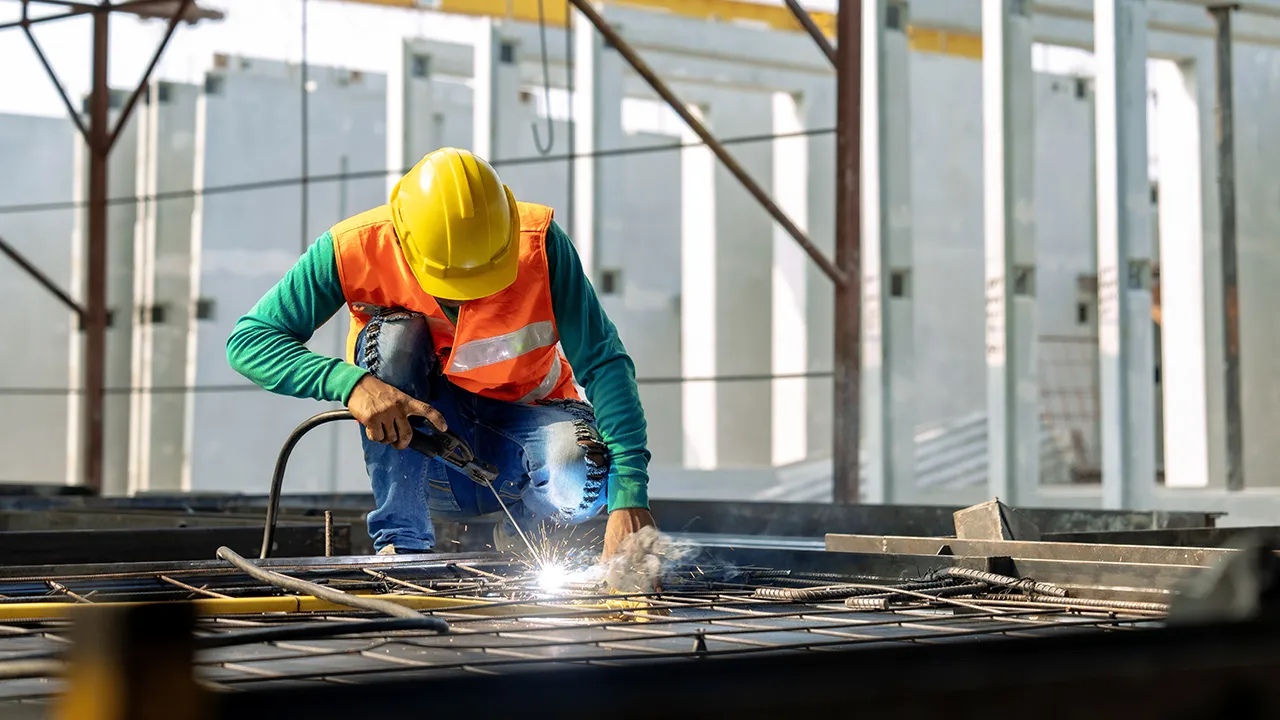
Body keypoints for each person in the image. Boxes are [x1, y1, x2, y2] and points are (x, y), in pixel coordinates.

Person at [227, 147, 656, 560]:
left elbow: (605, 363)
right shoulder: (354, 249)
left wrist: (629, 498)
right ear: (404, 242)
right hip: (428, 454)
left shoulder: (539, 246)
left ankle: (529, 534)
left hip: (524, 449)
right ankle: (403, 543)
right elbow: (249, 340)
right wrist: (351, 383)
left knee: (577, 471)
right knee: (395, 340)